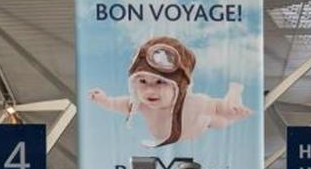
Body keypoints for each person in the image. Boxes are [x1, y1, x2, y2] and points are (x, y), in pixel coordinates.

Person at [87, 36, 252, 147]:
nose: (150, 90)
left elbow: (216, 107)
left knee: (221, 121)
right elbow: (119, 104)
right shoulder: (142, 104)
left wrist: (228, 109)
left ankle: (234, 93)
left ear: (178, 86)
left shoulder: (194, 103)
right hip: (164, 137)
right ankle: (234, 101)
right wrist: (104, 100)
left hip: (198, 125)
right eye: (142, 81)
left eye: (160, 82)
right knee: (220, 118)